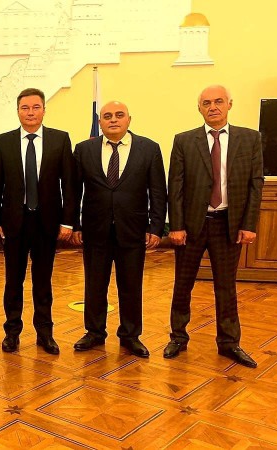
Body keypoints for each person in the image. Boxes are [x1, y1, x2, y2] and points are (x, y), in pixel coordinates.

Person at [164, 85, 263, 368]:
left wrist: (249, 224)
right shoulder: (184, 140)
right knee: (183, 284)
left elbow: (256, 184)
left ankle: (229, 342)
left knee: (226, 287)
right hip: (192, 226)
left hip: (228, 225)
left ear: (230, 104)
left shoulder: (250, 139)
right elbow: (176, 185)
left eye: (218, 101)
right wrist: (176, 226)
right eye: (206, 103)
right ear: (199, 108)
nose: (213, 107)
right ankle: (178, 337)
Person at [70, 101, 167, 357]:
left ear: (129, 119)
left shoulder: (149, 148)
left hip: (133, 230)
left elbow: (158, 191)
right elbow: (74, 191)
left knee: (131, 285)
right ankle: (94, 332)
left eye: (119, 115)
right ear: (100, 122)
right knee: (94, 284)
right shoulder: (84, 149)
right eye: (107, 116)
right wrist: (75, 224)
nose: (113, 119)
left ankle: (130, 335)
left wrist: (156, 227)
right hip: (95, 230)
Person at [0, 88, 76, 354]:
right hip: (13, 223)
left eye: (36, 107)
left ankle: (45, 334)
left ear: (44, 110)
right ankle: (12, 332)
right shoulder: (3, 142)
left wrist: (68, 222)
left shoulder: (60, 139)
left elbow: (69, 184)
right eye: (25, 108)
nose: (30, 112)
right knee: (13, 281)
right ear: (18, 111)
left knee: (43, 281)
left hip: (46, 223)